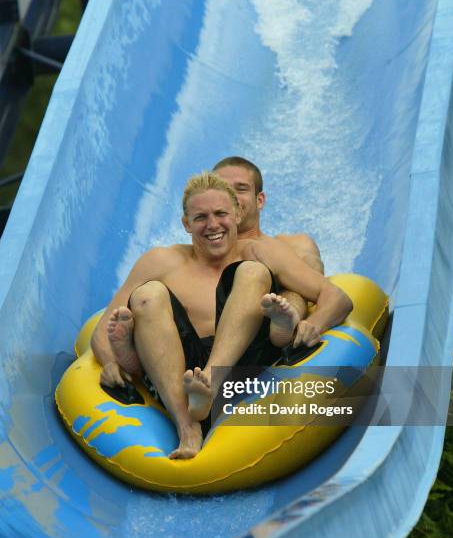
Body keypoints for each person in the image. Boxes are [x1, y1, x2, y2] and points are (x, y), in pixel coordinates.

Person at [91, 172, 352, 459]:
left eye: (220, 214)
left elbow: (336, 298)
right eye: (201, 217)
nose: (212, 224)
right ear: (186, 224)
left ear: (238, 214)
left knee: (253, 271)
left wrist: (314, 324)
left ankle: (211, 385)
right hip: (180, 376)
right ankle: (187, 425)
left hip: (243, 366)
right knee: (147, 295)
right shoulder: (161, 261)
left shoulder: (259, 251)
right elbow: (102, 331)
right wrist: (110, 362)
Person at [213, 156, 323, 344]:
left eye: (240, 189)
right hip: (216, 346)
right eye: (222, 190)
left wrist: (314, 324)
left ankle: (287, 323)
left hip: (274, 339)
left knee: (304, 262)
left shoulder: (292, 245)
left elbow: (333, 296)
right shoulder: (199, 257)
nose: (231, 197)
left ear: (260, 200)